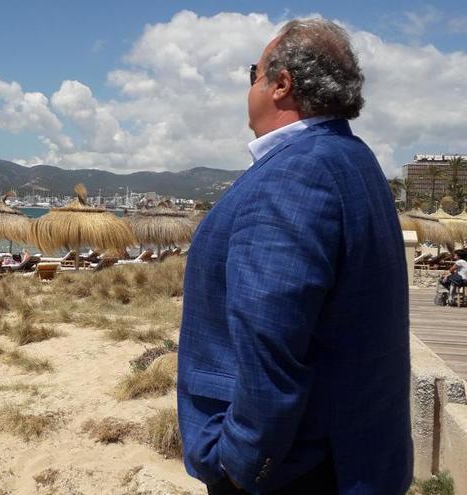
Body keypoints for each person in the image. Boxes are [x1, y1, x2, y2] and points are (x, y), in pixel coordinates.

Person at [178, 19, 412, 495]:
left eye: (253, 72)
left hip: (298, 472)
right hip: (355, 456)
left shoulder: (296, 174)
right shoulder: (353, 159)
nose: (250, 85)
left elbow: (271, 343)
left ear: (281, 83)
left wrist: (241, 465)